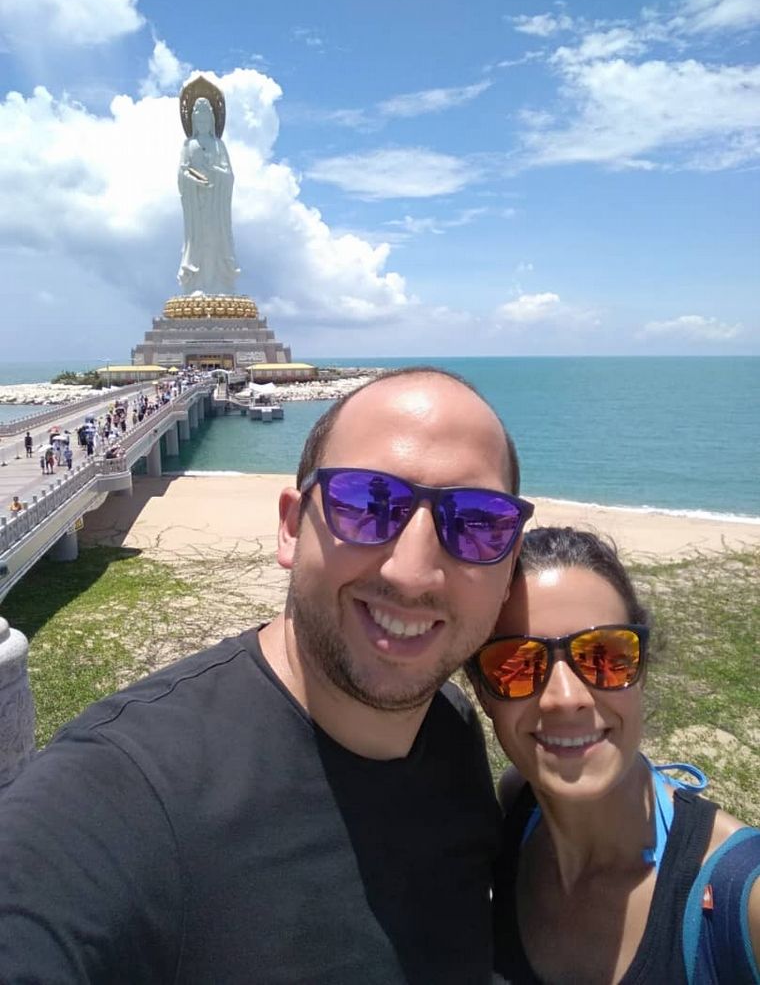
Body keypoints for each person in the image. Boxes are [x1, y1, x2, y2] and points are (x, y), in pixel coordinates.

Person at [0, 367, 533, 983]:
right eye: (365, 502)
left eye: (476, 521)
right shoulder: (121, 790)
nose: (413, 572)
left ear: (509, 563)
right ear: (290, 527)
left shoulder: (450, 728)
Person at [468, 527, 760, 984]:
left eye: (604, 655)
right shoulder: (516, 807)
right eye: (517, 665)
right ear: (485, 696)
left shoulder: (743, 896)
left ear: (641, 671)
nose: (565, 698)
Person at [177, 95, 239, 295]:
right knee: (197, 242)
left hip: (215, 203)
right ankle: (197, 285)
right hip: (196, 205)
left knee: (215, 241)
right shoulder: (188, 145)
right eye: (199, 120)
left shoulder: (219, 146)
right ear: (194, 121)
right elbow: (181, 173)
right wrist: (193, 180)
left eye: (206, 119)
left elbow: (229, 175)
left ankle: (218, 285)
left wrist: (214, 171)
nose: (202, 123)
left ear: (212, 121)